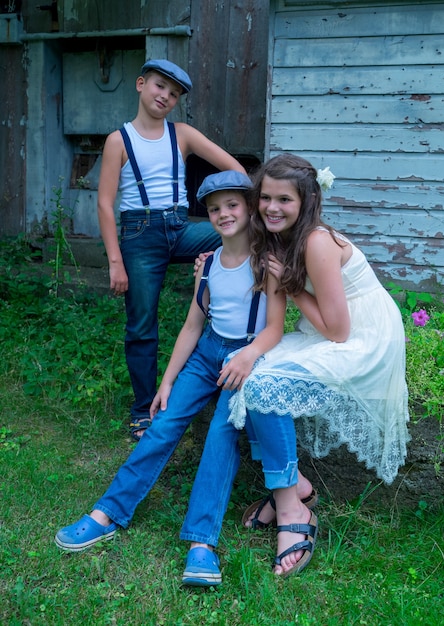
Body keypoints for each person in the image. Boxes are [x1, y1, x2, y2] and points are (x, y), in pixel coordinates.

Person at [54, 171, 287, 587]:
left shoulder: (266, 265)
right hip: (206, 353)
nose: (223, 214)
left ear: (250, 208)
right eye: (214, 209)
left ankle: (202, 543)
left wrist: (250, 355)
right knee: (161, 424)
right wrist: (166, 381)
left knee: (221, 435)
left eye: (233, 205)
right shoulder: (209, 264)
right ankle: (107, 512)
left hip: (247, 355)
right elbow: (193, 326)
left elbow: (275, 329)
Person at [227, 153, 410, 577]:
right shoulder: (277, 239)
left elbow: (339, 331)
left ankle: (293, 508)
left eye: (283, 200)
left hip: (363, 336)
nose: (271, 207)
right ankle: (295, 487)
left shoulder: (316, 241)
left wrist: (290, 285)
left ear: (307, 200)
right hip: (325, 329)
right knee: (251, 374)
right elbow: (283, 323)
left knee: (265, 387)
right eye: (265, 198)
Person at [97, 58, 247, 440]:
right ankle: (142, 410)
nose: (165, 96)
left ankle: (232, 324)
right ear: (141, 84)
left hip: (181, 227)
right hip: (139, 235)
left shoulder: (181, 134)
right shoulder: (119, 140)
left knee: (240, 235)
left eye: (174, 93)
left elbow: (235, 172)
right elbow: (104, 203)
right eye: (159, 86)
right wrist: (116, 261)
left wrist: (224, 223)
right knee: (142, 324)